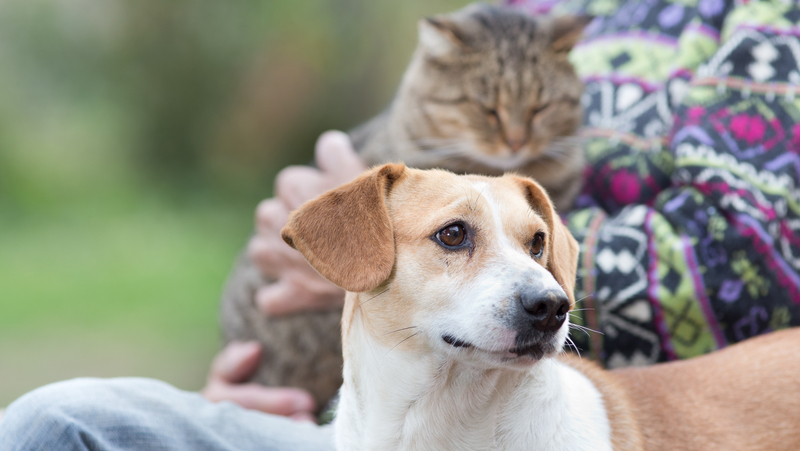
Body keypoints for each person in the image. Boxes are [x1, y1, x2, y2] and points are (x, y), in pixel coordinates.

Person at [2, 0, 799, 449]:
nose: (544, 288)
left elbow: (747, 252)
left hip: (550, 418)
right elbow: (385, 197)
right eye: (458, 240)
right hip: (356, 426)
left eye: (536, 250)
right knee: (60, 423)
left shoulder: (760, 24)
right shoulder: (512, 16)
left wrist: (450, 243)